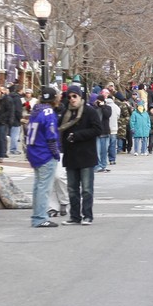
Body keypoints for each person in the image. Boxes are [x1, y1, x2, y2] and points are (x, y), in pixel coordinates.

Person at [60, 85, 103, 225]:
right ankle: (74, 216)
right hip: (71, 156)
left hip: (86, 155)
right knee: (72, 189)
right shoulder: (66, 113)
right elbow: (60, 131)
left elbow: (97, 129)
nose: (72, 99)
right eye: (69, 97)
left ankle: (87, 215)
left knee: (86, 189)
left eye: (74, 96)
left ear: (80, 97)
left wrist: (77, 135)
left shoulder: (89, 111)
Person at [26, 86, 61, 228]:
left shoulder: (35, 111)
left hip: (33, 151)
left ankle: (37, 214)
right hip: (44, 153)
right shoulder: (49, 113)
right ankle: (40, 217)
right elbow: (51, 137)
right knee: (44, 187)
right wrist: (56, 154)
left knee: (38, 185)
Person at [95, 91, 112, 173]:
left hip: (105, 132)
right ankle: (98, 165)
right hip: (97, 133)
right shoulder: (94, 109)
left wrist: (103, 107)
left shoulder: (107, 108)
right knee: (97, 151)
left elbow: (107, 115)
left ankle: (103, 165)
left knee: (104, 151)